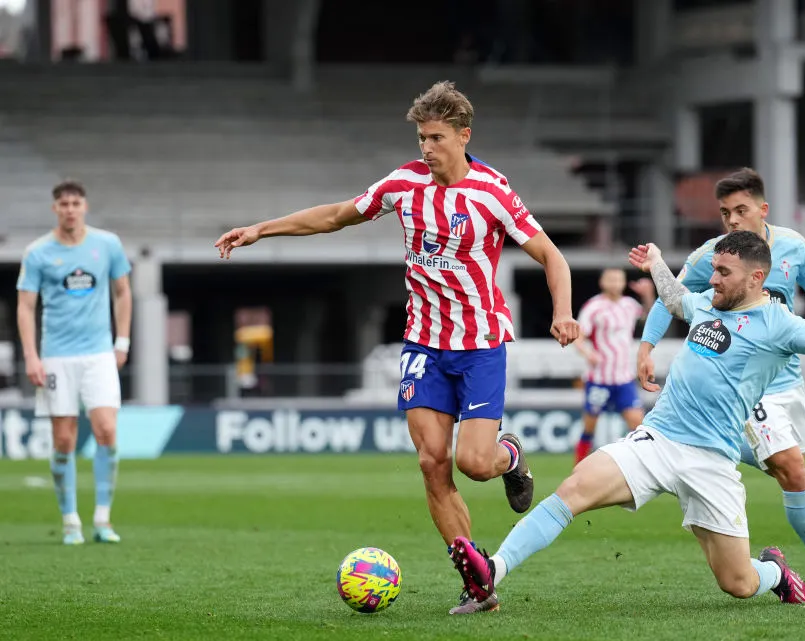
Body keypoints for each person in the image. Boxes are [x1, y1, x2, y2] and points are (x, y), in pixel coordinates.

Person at [214, 81, 580, 608]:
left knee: (475, 463)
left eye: (435, 138)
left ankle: (511, 456)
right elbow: (337, 216)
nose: (426, 149)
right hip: (423, 344)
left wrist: (562, 312)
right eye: (420, 139)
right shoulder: (404, 184)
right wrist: (260, 230)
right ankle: (476, 578)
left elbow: (552, 256)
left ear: (462, 135)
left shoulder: (493, 192)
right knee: (433, 461)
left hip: (479, 344)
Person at [449, 231, 805, 614]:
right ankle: (492, 571)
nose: (713, 279)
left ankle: (775, 573)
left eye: (724, 273)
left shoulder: (779, 324)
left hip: (712, 462)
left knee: (737, 584)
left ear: (757, 278)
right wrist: (659, 263)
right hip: (658, 438)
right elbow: (676, 299)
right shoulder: (707, 303)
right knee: (575, 487)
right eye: (714, 269)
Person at [637, 167, 805, 590]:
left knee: (790, 464)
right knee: (790, 466)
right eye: (725, 212)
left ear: (763, 209)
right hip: (745, 384)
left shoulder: (793, 246)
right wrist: (647, 346)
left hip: (786, 381)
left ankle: (701, 451)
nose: (732, 221)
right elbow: (673, 297)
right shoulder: (715, 255)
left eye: (741, 210)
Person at [16, 180, 133, 545]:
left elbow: (123, 291)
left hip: (98, 354)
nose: (70, 209)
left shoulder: (107, 244)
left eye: (76, 203)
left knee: (107, 431)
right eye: (63, 204)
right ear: (55, 209)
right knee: (64, 440)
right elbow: (25, 306)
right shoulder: (37, 253)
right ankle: (70, 520)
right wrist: (32, 356)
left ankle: (102, 519)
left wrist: (122, 341)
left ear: (85, 206)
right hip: (57, 358)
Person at [573, 269, 655, 464]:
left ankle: (642, 467)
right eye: (611, 279)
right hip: (599, 378)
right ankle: (579, 468)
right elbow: (578, 337)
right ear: (602, 282)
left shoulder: (629, 304)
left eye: (618, 279)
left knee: (639, 425)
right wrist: (588, 353)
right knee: (589, 427)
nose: (615, 283)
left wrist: (648, 295)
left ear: (624, 282)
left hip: (623, 378)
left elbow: (650, 317)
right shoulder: (594, 307)